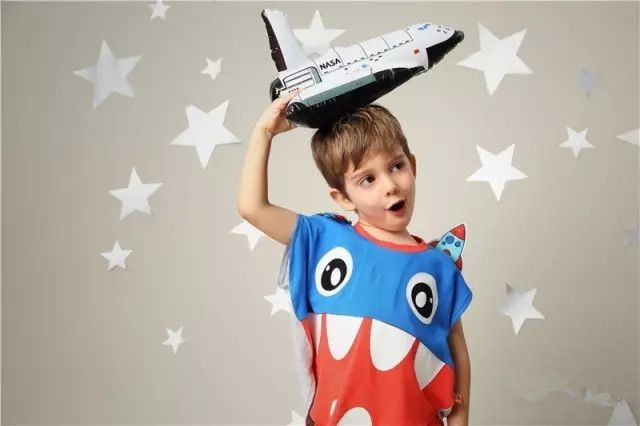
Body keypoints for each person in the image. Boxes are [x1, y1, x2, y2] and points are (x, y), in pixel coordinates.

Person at [237, 88, 472, 426]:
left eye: (397, 166)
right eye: (368, 179)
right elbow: (252, 207)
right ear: (343, 198)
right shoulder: (325, 239)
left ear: (413, 165)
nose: (390, 185)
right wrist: (263, 132)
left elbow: (458, 357)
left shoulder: (439, 267)